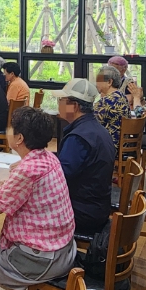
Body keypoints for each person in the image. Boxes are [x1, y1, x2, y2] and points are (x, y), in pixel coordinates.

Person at [0, 107, 76, 290]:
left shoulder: (28, 170)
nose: (8, 130)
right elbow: (22, 188)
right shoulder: (49, 158)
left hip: (43, 258)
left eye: (11, 127)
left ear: (19, 138)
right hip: (62, 248)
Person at [54, 78, 115, 236]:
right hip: (97, 206)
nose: (58, 105)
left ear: (74, 106)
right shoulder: (96, 129)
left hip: (82, 212)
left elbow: (59, 178)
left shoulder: (78, 138)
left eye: (61, 101)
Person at [93, 65, 130, 148]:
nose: (96, 84)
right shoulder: (122, 97)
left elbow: (92, 124)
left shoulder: (105, 102)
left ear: (109, 82)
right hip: (123, 145)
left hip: (108, 147)